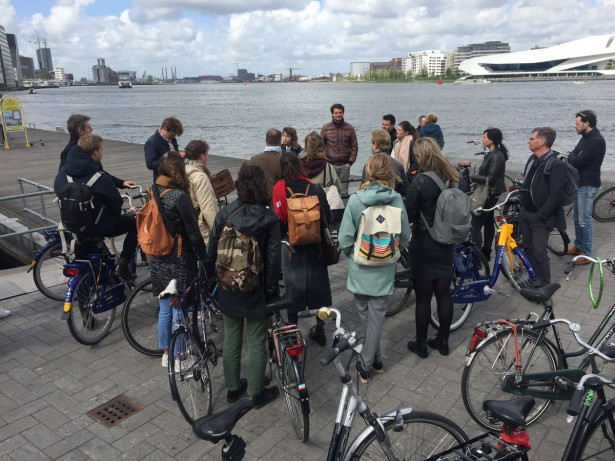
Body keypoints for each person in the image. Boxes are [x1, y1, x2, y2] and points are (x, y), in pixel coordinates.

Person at [207, 164, 281, 408]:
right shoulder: (269, 219)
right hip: (256, 288)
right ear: (263, 187)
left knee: (231, 338)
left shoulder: (224, 213)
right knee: (257, 340)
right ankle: (256, 392)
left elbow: (211, 251)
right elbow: (273, 261)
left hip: (228, 286)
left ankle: (232, 389)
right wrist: (271, 290)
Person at [338, 153, 410, 382]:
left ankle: (365, 363)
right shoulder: (396, 199)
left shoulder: (356, 200)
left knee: (365, 315)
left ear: (368, 172)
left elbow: (344, 238)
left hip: (360, 265)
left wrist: (353, 255)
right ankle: (376, 359)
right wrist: (391, 253)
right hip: (385, 265)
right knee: (376, 316)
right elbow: (405, 236)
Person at [149, 151, 207, 368]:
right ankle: (179, 357)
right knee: (180, 308)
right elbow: (193, 233)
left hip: (158, 257)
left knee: (165, 306)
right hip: (180, 259)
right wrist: (204, 256)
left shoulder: (154, 189)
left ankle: (166, 353)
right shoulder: (179, 196)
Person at [54, 134, 138, 280]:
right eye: (101, 149)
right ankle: (123, 266)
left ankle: (85, 285)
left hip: (72, 222)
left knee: (85, 250)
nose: (102, 152)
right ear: (95, 152)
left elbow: (58, 189)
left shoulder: (65, 171)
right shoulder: (99, 177)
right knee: (135, 224)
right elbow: (115, 206)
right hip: (95, 225)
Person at [405, 137, 459, 358]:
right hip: (446, 242)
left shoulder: (421, 181)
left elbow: (409, 214)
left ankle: (421, 345)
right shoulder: (452, 176)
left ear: (422, 156)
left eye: (417, 155)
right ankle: (443, 342)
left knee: (423, 297)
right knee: (444, 294)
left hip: (424, 242)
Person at [272, 153, 332, 346]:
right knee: (319, 289)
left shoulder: (279, 189)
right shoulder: (314, 187)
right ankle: (320, 330)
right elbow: (328, 217)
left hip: (291, 247)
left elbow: (278, 222)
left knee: (293, 291)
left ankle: (293, 335)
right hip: (315, 246)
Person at [520, 127, 567, 286]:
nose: (528, 141)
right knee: (528, 248)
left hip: (540, 217)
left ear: (542, 142)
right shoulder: (532, 158)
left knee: (539, 251)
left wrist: (542, 214)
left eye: (531, 139)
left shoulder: (556, 164)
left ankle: (545, 284)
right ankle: (534, 278)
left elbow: (556, 194)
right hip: (525, 212)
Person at [566, 110, 606, 263]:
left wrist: (572, 156)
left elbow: (576, 161)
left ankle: (586, 253)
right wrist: (572, 156)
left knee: (584, 220)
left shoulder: (596, 141)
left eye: (577, 123)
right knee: (577, 218)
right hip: (579, 183)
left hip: (588, 184)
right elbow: (574, 154)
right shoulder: (586, 138)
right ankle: (578, 246)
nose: (574, 126)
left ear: (587, 123)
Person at [58, 114, 135, 189]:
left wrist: (121, 183)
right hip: (84, 193)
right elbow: (64, 179)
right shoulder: (70, 152)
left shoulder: (85, 147)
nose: (92, 129)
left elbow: (99, 173)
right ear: (80, 131)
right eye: (89, 128)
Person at [470, 128, 509, 261]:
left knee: (475, 225)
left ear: (491, 140)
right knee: (488, 222)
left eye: (484, 137)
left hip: (490, 194)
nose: (482, 139)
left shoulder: (497, 156)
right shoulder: (492, 154)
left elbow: (490, 178)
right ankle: (486, 251)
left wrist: (472, 177)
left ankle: (477, 257)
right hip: (491, 193)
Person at [184, 139, 219, 279]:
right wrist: (219, 231)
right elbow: (208, 208)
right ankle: (206, 289)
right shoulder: (200, 177)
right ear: (202, 155)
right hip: (202, 229)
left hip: (188, 226)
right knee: (208, 266)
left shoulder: (184, 171)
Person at [321, 103, 358, 196]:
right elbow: (320, 146)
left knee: (344, 192)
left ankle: (344, 206)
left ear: (343, 113)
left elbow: (354, 146)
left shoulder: (349, 128)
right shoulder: (326, 128)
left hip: (345, 165)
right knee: (330, 191)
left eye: (340, 112)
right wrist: (324, 162)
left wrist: (350, 162)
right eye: (336, 113)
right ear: (332, 114)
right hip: (330, 165)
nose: (338, 115)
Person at [362, 129, 409, 197]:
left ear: (375, 145)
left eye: (371, 143)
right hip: (392, 200)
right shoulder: (398, 165)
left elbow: (363, 191)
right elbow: (406, 191)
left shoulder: (369, 166)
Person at [245, 128, 283, 200]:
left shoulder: (253, 159)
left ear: (265, 140)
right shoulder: (284, 160)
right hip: (277, 198)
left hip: (258, 198)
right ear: (280, 142)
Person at [144, 117, 184, 181]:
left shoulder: (172, 138)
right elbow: (150, 164)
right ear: (164, 129)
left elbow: (173, 153)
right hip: (162, 179)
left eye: (175, 135)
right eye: (172, 134)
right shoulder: (151, 142)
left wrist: (178, 155)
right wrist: (168, 162)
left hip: (176, 177)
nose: (174, 136)